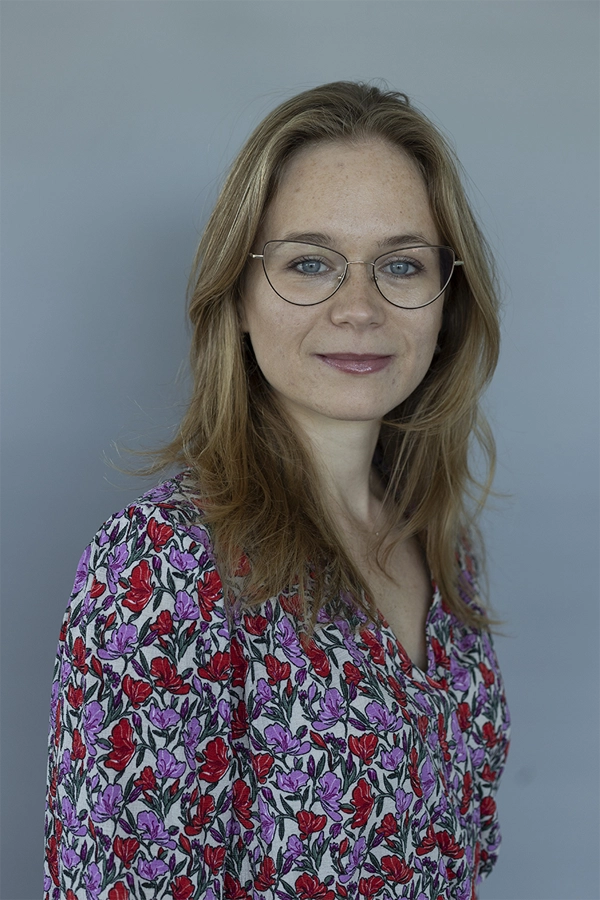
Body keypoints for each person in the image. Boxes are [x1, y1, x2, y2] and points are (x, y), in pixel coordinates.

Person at [44, 82, 510, 900]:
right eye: (310, 263)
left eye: (402, 264)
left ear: (447, 301)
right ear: (239, 295)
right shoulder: (164, 566)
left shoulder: (444, 548)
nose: (359, 308)